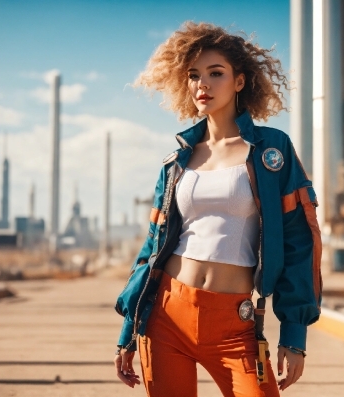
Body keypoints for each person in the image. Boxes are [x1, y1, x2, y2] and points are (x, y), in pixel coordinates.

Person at [114, 21, 322, 397]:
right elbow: (152, 248)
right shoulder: (177, 161)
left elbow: (298, 242)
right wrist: (129, 329)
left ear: (239, 81)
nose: (202, 84)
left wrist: (294, 335)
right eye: (194, 75)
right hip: (167, 316)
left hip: (235, 323)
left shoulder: (271, 151)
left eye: (215, 73)